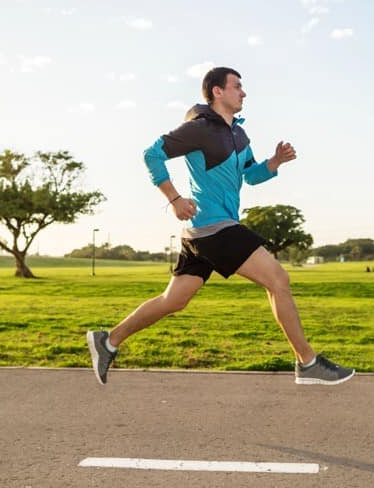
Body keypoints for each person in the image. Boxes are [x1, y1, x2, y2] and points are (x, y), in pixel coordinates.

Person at [87, 67, 354, 386]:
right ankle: (308, 362)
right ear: (217, 91)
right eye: (237, 86)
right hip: (214, 226)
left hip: (203, 233)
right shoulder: (199, 128)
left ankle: (108, 341)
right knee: (279, 280)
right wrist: (174, 199)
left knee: (174, 301)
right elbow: (151, 155)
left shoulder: (240, 135)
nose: (243, 93)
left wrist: (275, 162)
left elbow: (251, 175)